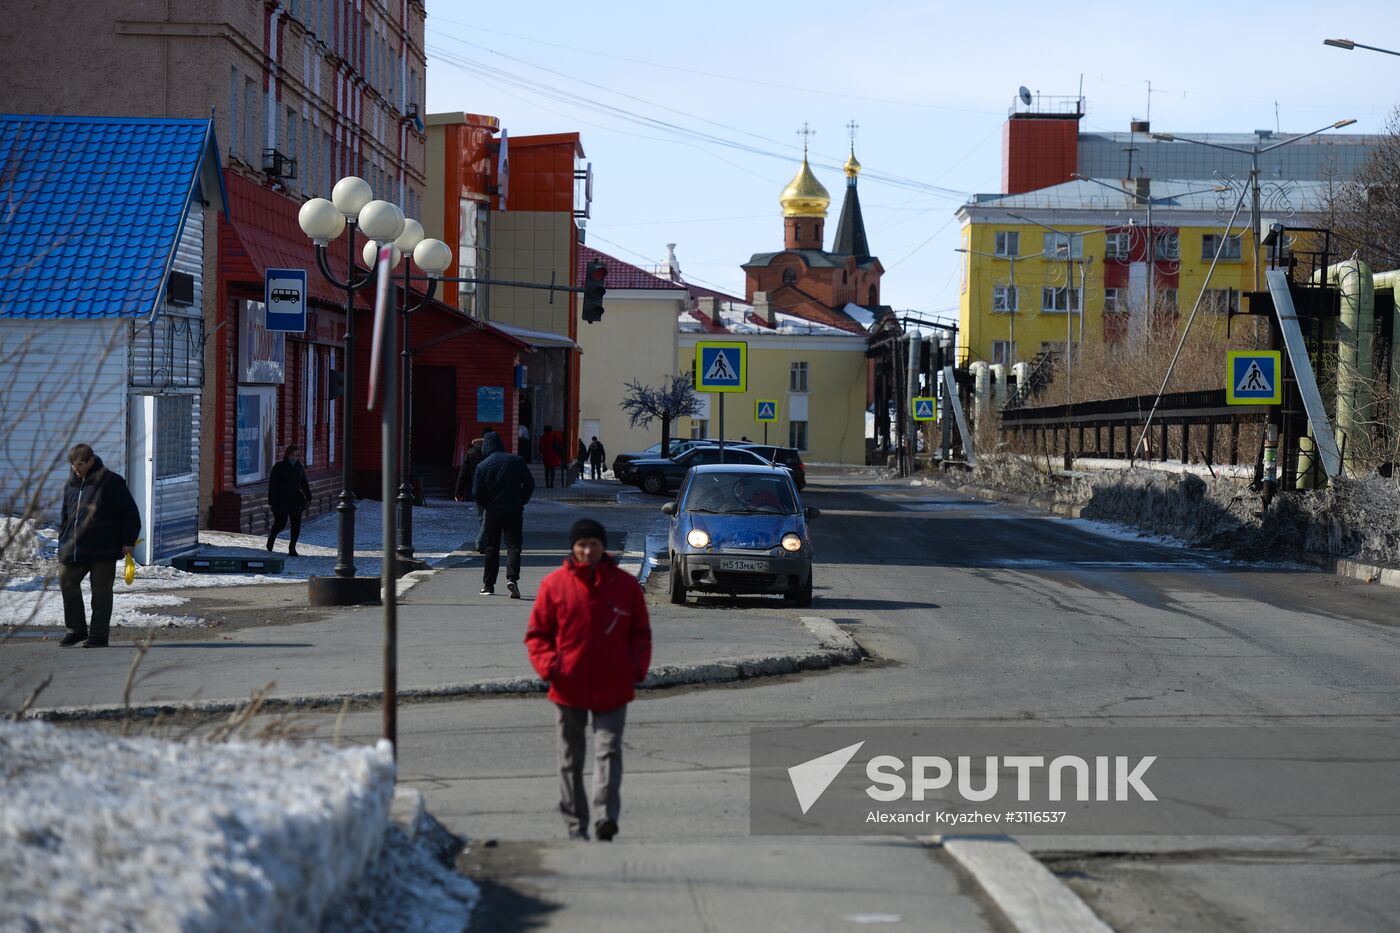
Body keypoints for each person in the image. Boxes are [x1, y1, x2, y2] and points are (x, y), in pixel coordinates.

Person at [525, 518, 651, 841]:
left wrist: (635, 667)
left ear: (602, 546)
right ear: (573, 548)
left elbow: (640, 633)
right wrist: (551, 668)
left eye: (593, 544)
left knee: (609, 752)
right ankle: (575, 825)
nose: (587, 550)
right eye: (581, 544)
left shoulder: (624, 585)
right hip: (568, 685)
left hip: (614, 684)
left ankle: (604, 817)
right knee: (570, 760)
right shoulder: (554, 586)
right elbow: (538, 635)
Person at [56, 443, 141, 649]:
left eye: (80, 465)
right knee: (67, 582)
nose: (77, 470)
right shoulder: (71, 483)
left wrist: (128, 541)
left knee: (101, 592)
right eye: (74, 466)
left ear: (91, 461)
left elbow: (130, 513)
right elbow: (65, 513)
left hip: (103, 548)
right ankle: (76, 630)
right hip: (74, 547)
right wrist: (62, 539)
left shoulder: (111, 482)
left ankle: (98, 636)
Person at [472, 431, 535, 597]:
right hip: (514, 510)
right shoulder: (516, 461)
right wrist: (522, 500)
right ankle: (512, 579)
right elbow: (529, 483)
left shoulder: (482, 466)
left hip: (493, 512)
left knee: (491, 548)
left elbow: (477, 493)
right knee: (514, 546)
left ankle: (488, 585)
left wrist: (487, 504)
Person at [266, 445, 312, 556]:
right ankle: (271, 538)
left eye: (296, 456)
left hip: (296, 500)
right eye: (292, 455)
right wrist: (272, 500)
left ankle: (292, 548)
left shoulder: (299, 467)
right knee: (280, 523)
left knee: (296, 525)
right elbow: (272, 485)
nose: (294, 458)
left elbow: (304, 483)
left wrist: (309, 496)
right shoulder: (279, 467)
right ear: (287, 455)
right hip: (281, 500)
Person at [539, 424, 564, 488]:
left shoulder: (543, 437)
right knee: (552, 471)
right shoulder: (554, 436)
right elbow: (559, 443)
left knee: (546, 470)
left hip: (546, 456)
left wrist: (542, 452)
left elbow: (541, 446)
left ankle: (547, 483)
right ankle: (551, 483)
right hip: (554, 455)